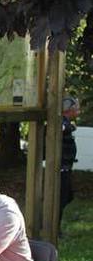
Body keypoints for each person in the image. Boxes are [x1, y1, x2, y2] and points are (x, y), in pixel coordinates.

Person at [60, 96, 78, 226]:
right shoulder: (62, 122)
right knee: (60, 199)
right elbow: (61, 128)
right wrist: (70, 127)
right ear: (68, 110)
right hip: (60, 168)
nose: (78, 112)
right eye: (76, 109)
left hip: (66, 167)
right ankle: (54, 227)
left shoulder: (66, 122)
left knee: (68, 196)